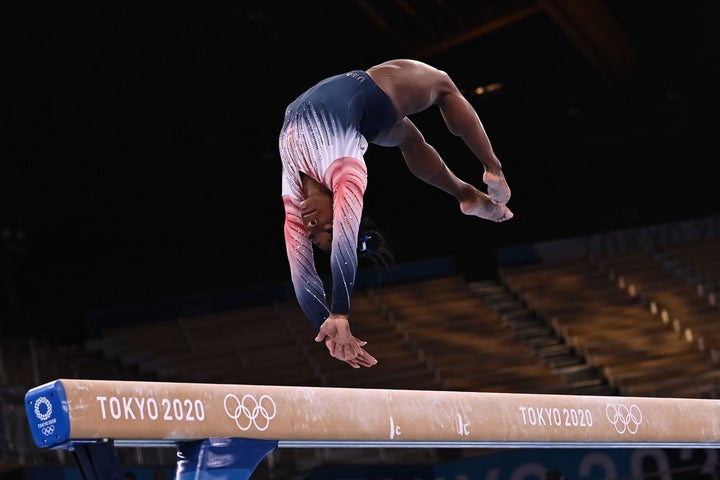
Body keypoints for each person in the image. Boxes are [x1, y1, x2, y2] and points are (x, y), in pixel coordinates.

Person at [279, 59, 513, 369]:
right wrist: (338, 315)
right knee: (443, 85)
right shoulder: (346, 173)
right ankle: (492, 171)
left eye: (312, 234)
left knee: (410, 140)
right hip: (369, 93)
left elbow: (302, 275)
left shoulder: (293, 199)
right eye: (328, 230)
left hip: (358, 118)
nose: (310, 226)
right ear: (344, 207)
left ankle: (467, 194)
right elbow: (343, 248)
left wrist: (327, 324)